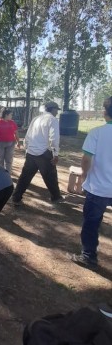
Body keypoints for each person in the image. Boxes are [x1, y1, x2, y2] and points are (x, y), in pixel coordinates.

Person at [71, 96, 112, 269]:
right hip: (100, 188)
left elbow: (86, 160)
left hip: (98, 189)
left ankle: (88, 256)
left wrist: (84, 177)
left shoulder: (97, 133)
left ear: (105, 112)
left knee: (91, 223)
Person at [12, 101, 63, 205]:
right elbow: (54, 138)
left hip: (31, 152)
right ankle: (56, 197)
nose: (57, 112)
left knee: (25, 177)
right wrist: (55, 154)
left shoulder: (36, 119)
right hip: (44, 153)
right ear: (52, 109)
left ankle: (16, 198)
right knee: (51, 176)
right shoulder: (52, 120)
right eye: (56, 110)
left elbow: (28, 135)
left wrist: (27, 148)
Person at [0, 108, 19, 173]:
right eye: (11, 115)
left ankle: (8, 173)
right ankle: (1, 174)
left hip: (11, 144)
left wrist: (18, 142)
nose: (11, 116)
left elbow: (16, 133)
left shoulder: (12, 123)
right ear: (6, 115)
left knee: (9, 159)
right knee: (0, 159)